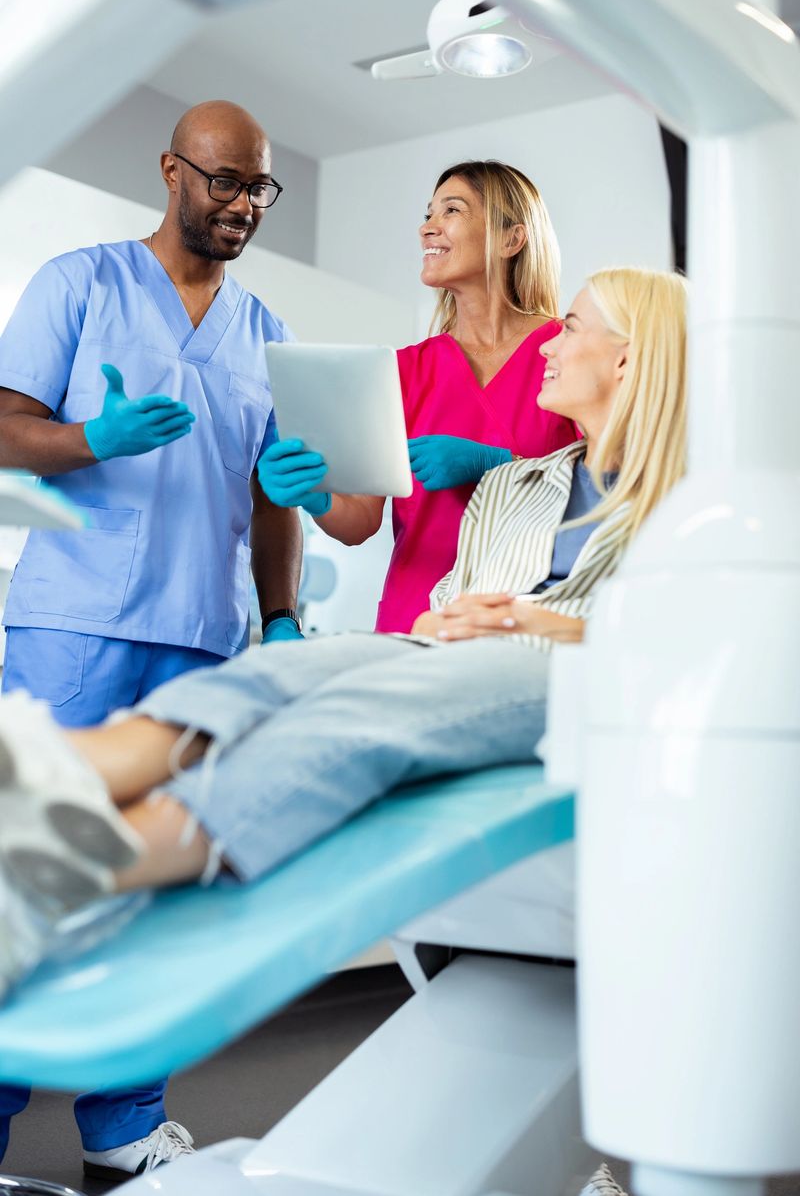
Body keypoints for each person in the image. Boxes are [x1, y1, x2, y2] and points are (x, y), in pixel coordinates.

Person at [0, 266, 685, 1195]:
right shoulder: (518, 486)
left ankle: (99, 857)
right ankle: (52, 779)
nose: (551, 345)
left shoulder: (696, 508)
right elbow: (447, 591)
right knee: (297, 665)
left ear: (630, 356)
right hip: (462, 655)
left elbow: (694, 638)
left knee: (379, 709)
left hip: (577, 683)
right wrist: (445, 617)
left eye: (572, 330)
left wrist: (539, 625)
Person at [0, 101, 303, 1178]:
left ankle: (125, 1129)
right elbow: (2, 422)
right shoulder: (78, 283)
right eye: (224, 181)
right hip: (71, 625)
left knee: (155, 900)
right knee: (34, 875)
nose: (241, 206)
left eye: (258, 189)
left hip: (202, 642)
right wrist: (90, 438)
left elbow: (275, 499)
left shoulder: (266, 329)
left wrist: (279, 614)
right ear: (172, 170)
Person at [259, 160, 578, 633]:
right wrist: (315, 497)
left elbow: (605, 492)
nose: (427, 228)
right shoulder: (403, 371)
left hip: (525, 621)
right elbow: (361, 521)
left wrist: (499, 466)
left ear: (512, 239)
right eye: (428, 213)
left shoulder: (565, 352)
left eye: (452, 210)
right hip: (415, 619)